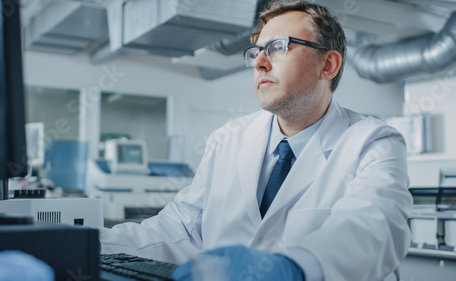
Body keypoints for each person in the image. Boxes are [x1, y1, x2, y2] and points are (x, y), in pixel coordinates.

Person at [97, 1, 413, 280]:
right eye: (256, 52)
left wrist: (291, 267)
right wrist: (83, 243)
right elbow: (178, 229)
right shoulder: (227, 139)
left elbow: (372, 227)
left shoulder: (372, 142)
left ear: (327, 65)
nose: (260, 62)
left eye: (278, 47)